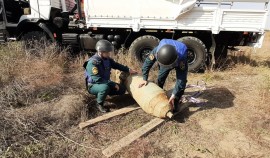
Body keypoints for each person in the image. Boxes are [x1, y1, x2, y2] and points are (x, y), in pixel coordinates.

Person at [84, 40, 137, 113]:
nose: (109, 54)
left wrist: (128, 69)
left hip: (105, 82)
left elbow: (116, 65)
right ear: (100, 52)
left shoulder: (107, 59)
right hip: (93, 85)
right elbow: (97, 79)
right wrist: (113, 84)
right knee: (105, 88)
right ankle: (99, 103)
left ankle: (105, 93)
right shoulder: (92, 63)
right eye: (107, 52)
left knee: (122, 89)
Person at [139, 39, 188, 112]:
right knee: (160, 78)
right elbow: (147, 64)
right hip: (165, 62)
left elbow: (181, 79)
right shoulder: (157, 52)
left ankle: (175, 101)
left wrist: (174, 94)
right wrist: (144, 78)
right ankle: (159, 93)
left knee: (181, 85)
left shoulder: (182, 57)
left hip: (178, 60)